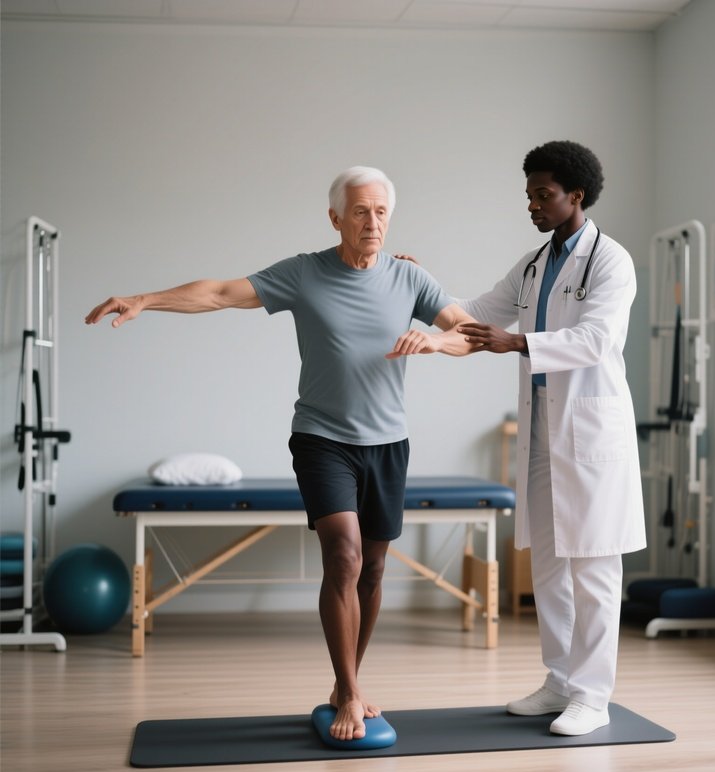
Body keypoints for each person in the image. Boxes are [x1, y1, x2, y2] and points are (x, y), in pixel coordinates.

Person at [85, 166, 476, 741]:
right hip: (321, 438)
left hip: (388, 442)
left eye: (382, 212)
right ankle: (348, 693)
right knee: (342, 556)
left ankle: (349, 683)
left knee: (372, 570)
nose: (372, 222)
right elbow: (220, 292)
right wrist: (148, 299)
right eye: (361, 211)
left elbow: (471, 332)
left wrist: (439, 340)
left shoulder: (410, 279)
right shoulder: (305, 272)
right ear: (335, 217)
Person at [447, 141, 645, 735]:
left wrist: (519, 343)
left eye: (543, 194)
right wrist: (415, 287)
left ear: (575, 196)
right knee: (550, 565)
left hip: (589, 433)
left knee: (593, 568)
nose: (532, 205)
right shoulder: (534, 265)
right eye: (529, 195)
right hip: (541, 429)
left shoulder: (611, 261)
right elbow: (477, 312)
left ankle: (592, 695)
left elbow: (598, 341)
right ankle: (559, 681)